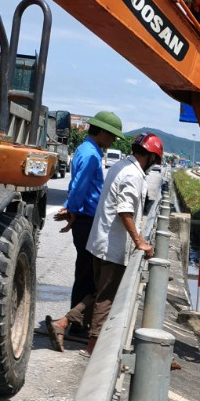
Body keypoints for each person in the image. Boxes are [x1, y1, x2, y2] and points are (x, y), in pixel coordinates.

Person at [44, 132, 164, 356]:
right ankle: (92, 348)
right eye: (155, 160)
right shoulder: (133, 175)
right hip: (113, 247)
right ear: (150, 157)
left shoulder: (121, 166)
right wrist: (140, 242)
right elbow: (125, 211)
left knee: (99, 292)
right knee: (106, 299)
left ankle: (63, 323)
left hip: (101, 242)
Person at [54, 110, 123, 315]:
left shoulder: (85, 149)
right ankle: (76, 322)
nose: (113, 141)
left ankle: (77, 319)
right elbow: (79, 186)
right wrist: (72, 211)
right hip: (87, 219)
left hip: (85, 217)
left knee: (85, 271)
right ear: (101, 132)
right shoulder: (91, 154)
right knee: (87, 273)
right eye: (111, 136)